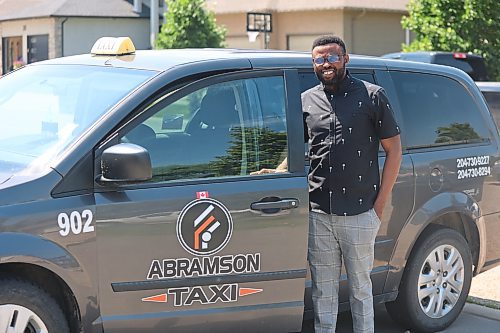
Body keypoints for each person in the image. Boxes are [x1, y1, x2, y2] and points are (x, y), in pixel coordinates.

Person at [303, 35, 401, 333]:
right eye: (319, 59)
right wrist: (276, 168)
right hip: (319, 214)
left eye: (332, 57)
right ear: (314, 64)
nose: (326, 64)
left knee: (360, 289)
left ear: (346, 59)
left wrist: (379, 206)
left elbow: (394, 150)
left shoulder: (372, 96)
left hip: (361, 212)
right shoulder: (306, 100)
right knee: (323, 291)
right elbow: (306, 148)